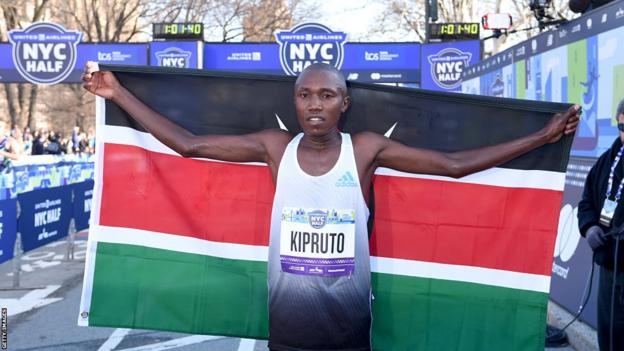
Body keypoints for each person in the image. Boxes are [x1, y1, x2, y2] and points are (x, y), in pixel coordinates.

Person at [82, 61, 579, 351]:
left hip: (348, 332)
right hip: (287, 330)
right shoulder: (275, 148)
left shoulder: (365, 150)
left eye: (326, 95)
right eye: (304, 95)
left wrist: (542, 135)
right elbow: (188, 144)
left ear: (345, 104)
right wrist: (117, 92)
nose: (314, 104)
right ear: (294, 103)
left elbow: (453, 164)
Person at [578, 98, 624, 351]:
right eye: (623, 127)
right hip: (609, 264)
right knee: (609, 335)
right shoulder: (607, 161)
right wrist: (590, 227)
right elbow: (586, 203)